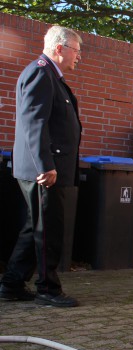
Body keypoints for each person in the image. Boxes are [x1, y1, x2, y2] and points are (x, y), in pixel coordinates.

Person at [0, 26, 83, 308]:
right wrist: (46, 165)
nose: (78, 56)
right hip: (43, 171)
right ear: (59, 48)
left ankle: (11, 284)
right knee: (48, 230)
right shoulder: (40, 72)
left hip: (47, 168)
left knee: (35, 227)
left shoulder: (50, 76)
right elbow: (34, 123)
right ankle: (48, 289)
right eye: (76, 50)